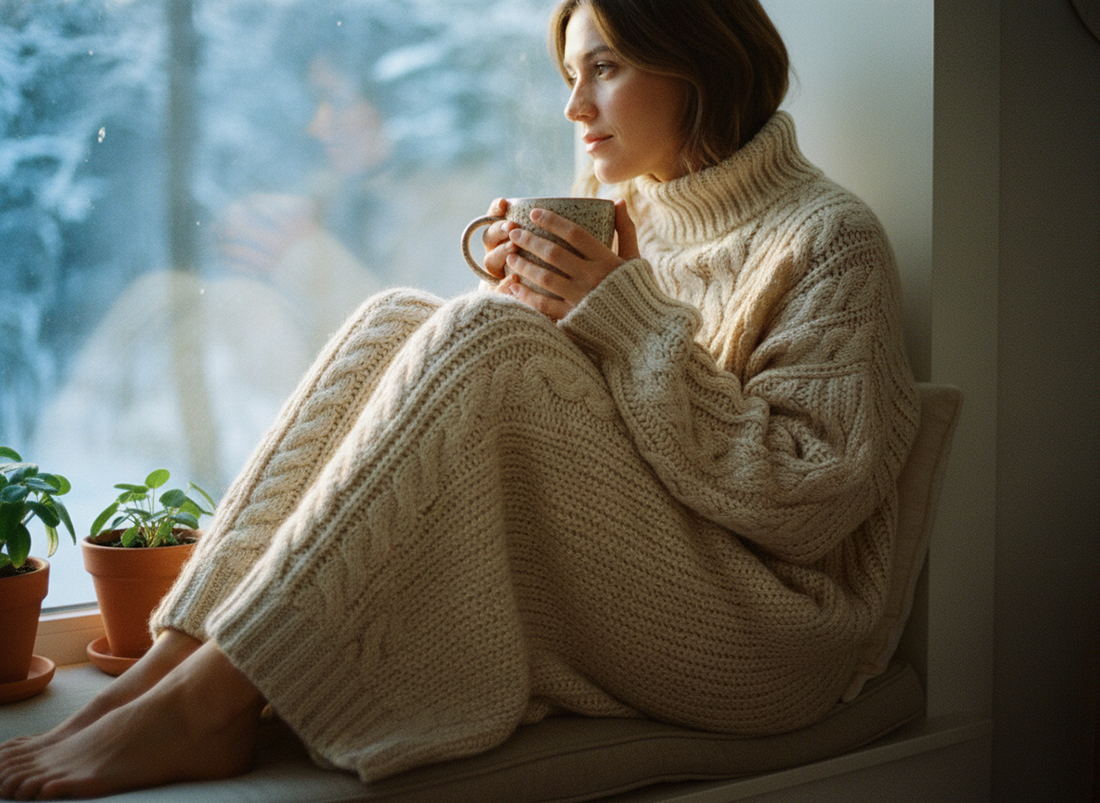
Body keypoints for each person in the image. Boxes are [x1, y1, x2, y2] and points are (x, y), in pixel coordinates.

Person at [0, 0, 919, 798]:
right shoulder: (629, 215)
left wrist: (618, 316)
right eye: (570, 73)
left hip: (768, 633)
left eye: (605, 67)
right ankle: (176, 660)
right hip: (665, 564)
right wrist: (554, 319)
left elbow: (807, 501)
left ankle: (207, 703)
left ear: (702, 58)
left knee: (483, 335)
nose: (575, 105)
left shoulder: (827, 237)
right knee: (397, 316)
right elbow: (619, 434)